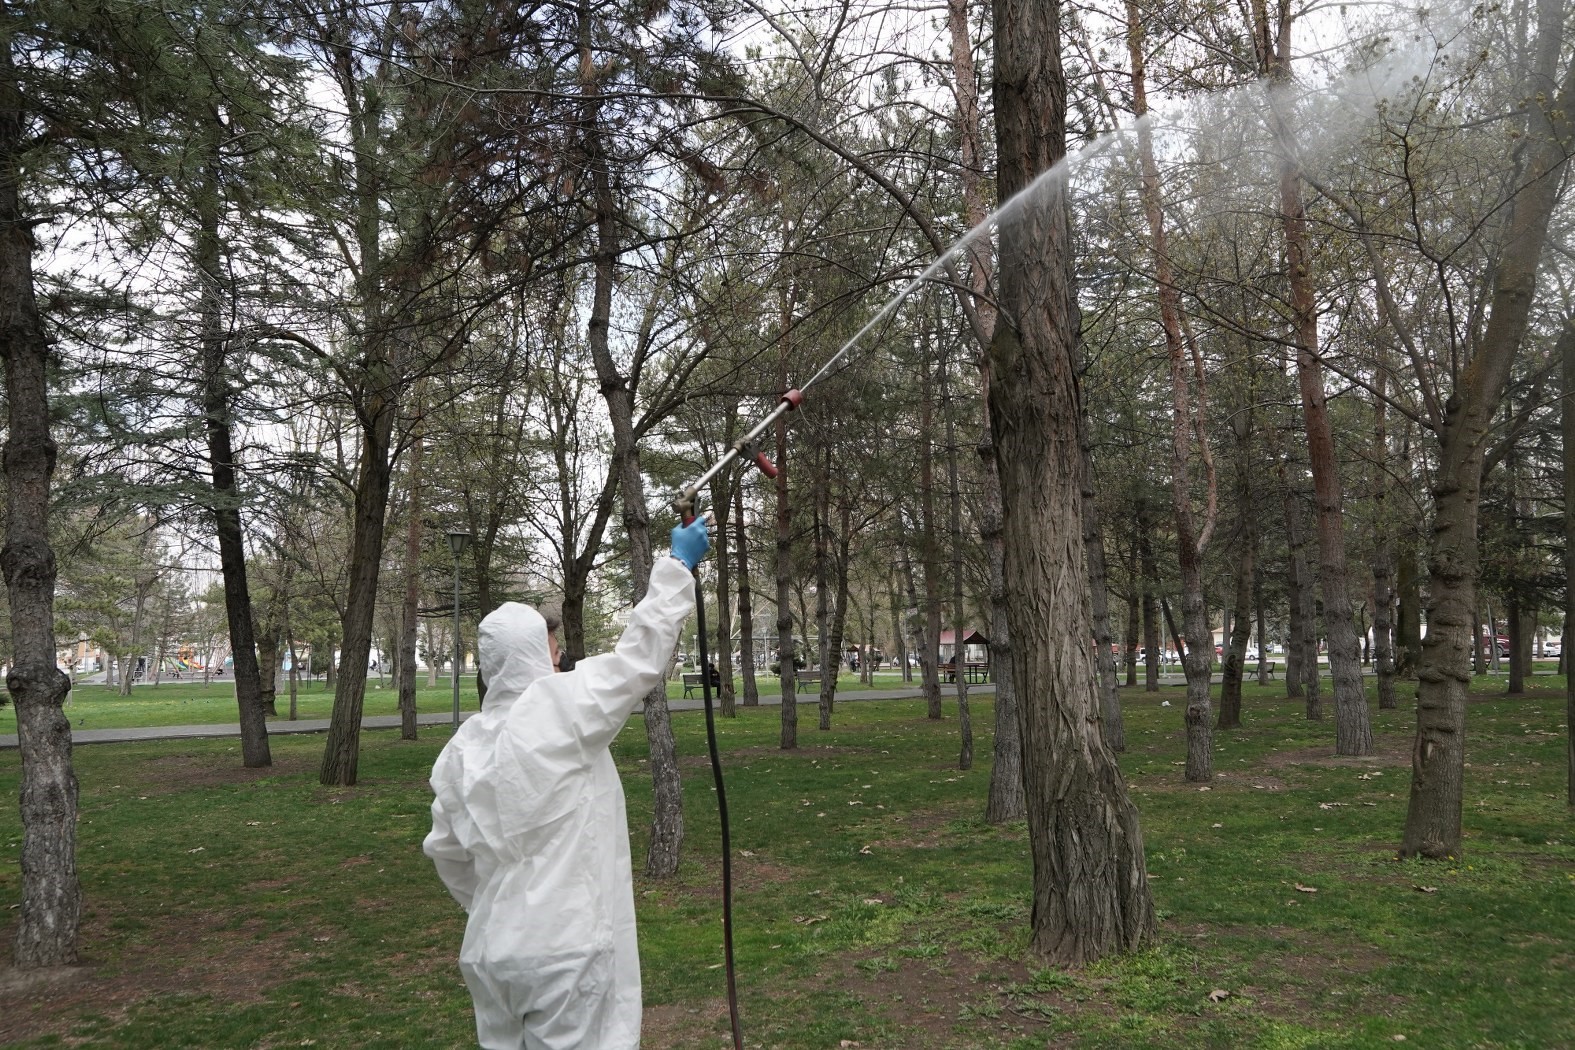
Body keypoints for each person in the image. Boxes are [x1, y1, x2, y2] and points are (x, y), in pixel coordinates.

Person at [423, 518, 710, 1050]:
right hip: (566, 950)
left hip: (492, 952)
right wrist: (676, 567)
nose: (559, 657)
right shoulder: (560, 711)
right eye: (552, 648)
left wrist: (503, 909)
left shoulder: (462, 749)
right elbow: (638, 660)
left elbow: (447, 852)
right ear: (539, 654)